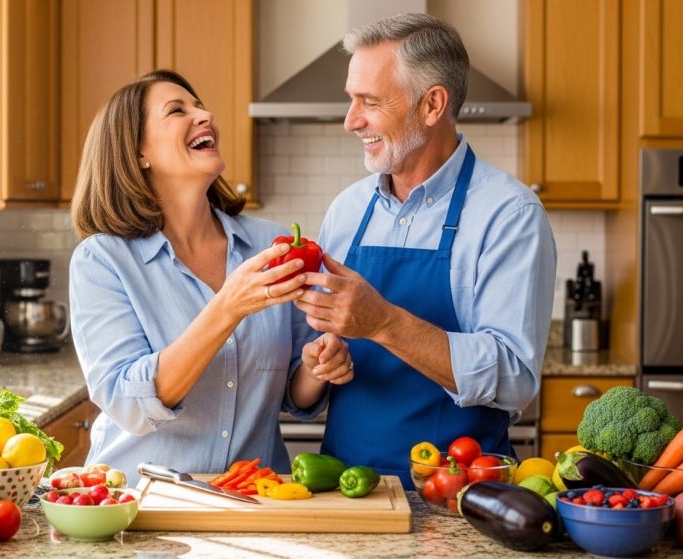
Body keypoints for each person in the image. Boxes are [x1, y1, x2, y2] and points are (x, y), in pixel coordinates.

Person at [295, 14, 556, 488]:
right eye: (351, 100)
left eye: (369, 102)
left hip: (459, 494)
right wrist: (322, 359)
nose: (352, 120)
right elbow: (311, 372)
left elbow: (515, 378)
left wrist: (383, 322)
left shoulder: (509, 214)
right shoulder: (348, 209)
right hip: (346, 488)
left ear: (433, 104)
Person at [68, 70, 353, 486]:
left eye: (199, 105)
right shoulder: (103, 260)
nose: (205, 115)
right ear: (138, 152)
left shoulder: (267, 246)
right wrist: (227, 307)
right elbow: (128, 402)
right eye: (177, 110)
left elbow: (297, 394)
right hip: (144, 503)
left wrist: (317, 366)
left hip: (254, 501)